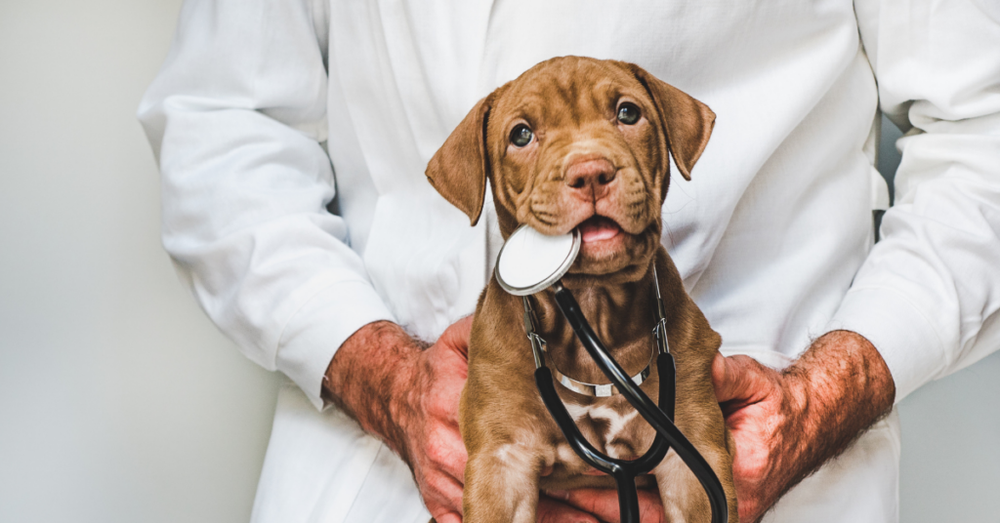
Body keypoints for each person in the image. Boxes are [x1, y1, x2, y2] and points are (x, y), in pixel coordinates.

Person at [138, 1, 1000, 522]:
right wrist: (385, 378)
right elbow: (225, 123)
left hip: (752, 471)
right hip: (382, 482)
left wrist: (817, 402)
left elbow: (983, 129)